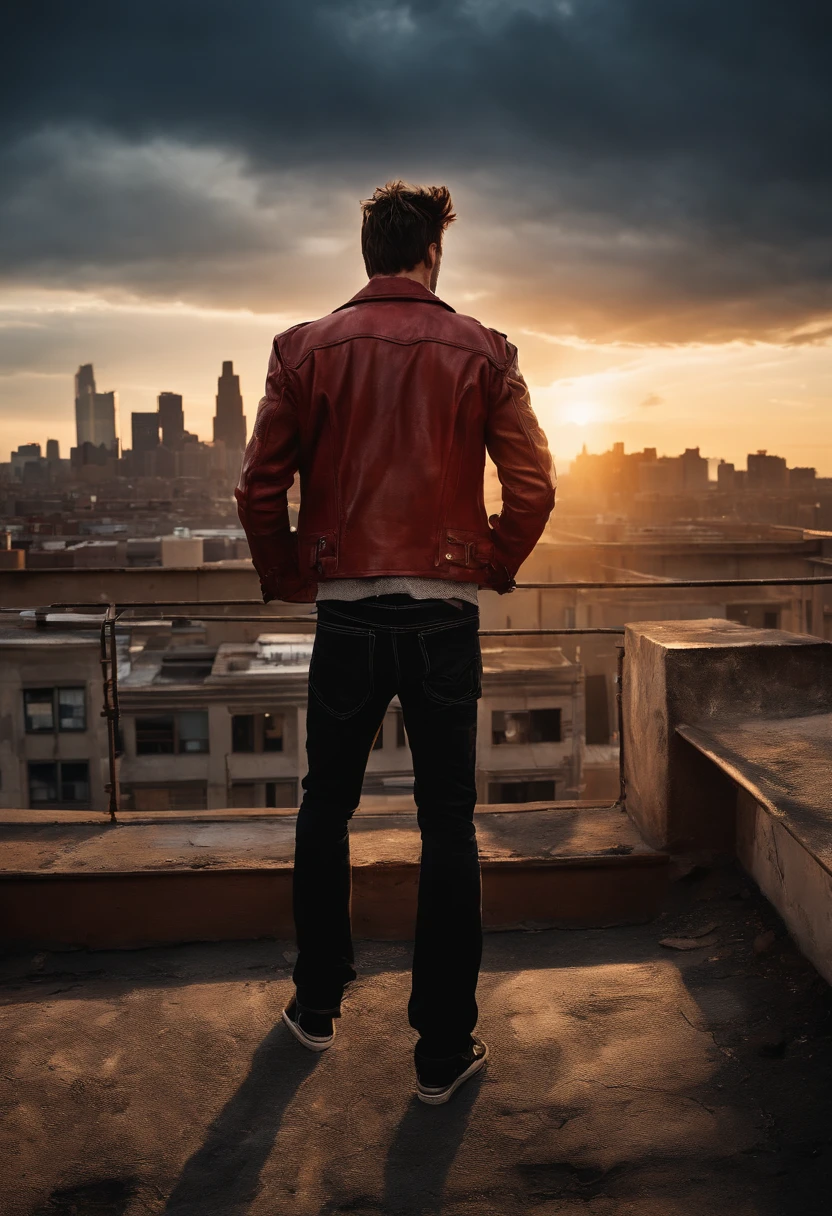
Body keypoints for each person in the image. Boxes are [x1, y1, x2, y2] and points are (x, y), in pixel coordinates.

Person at [236, 180, 555, 1104]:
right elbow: (532, 489)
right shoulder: (484, 351)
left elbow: (260, 491)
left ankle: (316, 1006)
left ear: (368, 253)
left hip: (346, 613)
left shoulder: (303, 350)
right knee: (447, 820)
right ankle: (443, 1052)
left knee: (324, 806)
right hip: (443, 615)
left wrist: (295, 573)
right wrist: (489, 563)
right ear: (433, 256)